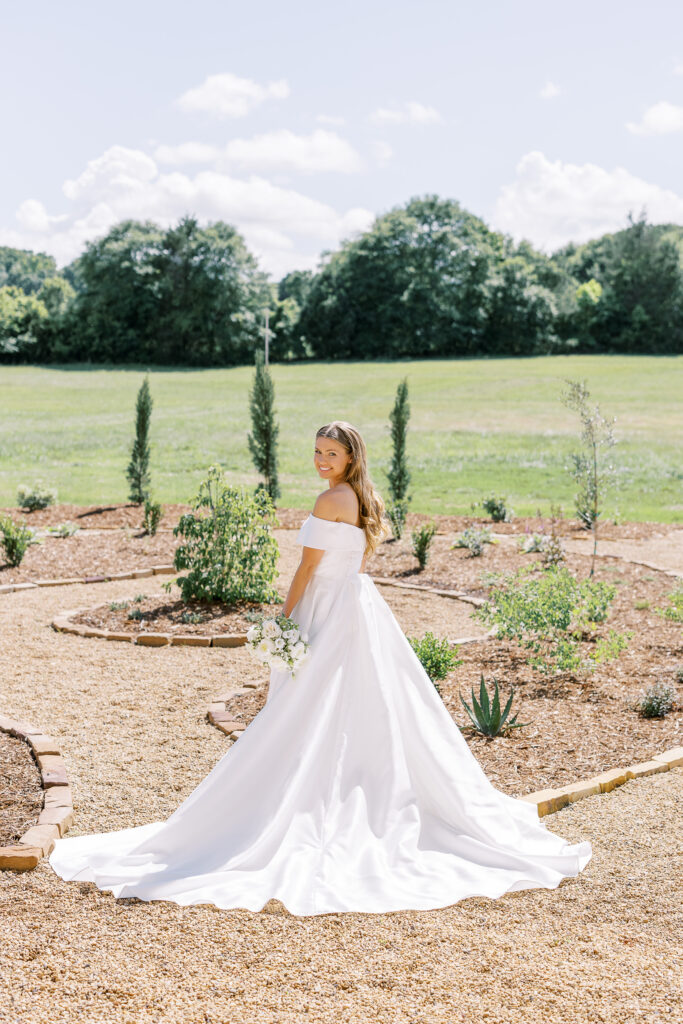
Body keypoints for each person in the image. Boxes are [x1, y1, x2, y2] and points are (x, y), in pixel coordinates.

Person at [49, 420, 592, 915]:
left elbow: (307, 567)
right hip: (356, 604)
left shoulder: (329, 498)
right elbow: (352, 562)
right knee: (362, 698)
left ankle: (303, 795)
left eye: (330, 453)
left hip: (326, 607)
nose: (321, 460)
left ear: (350, 456)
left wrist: (285, 621)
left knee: (308, 702)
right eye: (316, 452)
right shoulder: (364, 497)